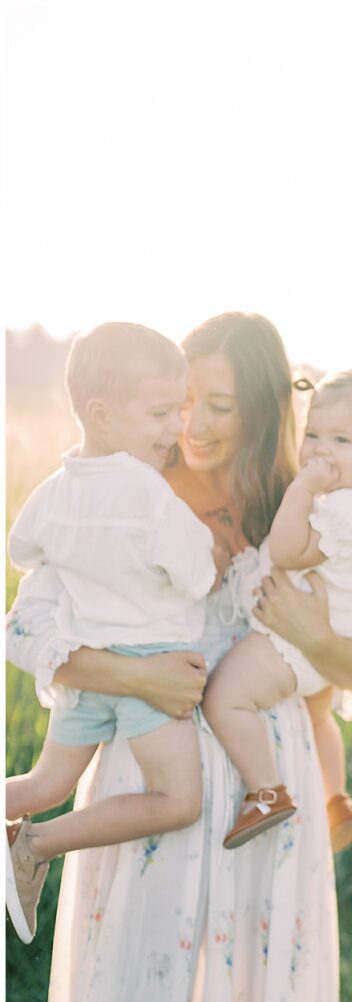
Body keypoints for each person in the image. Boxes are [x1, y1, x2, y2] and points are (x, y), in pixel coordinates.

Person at [5, 311, 352, 1002]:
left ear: (260, 411)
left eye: (217, 406)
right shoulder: (118, 495)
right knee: (141, 976)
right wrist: (137, 678)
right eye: (181, 401)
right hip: (147, 776)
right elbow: (31, 632)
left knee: (251, 985)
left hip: (267, 788)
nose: (191, 423)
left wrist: (311, 637)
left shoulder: (307, 509)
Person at [5, 323, 227, 945]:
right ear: (101, 415)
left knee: (44, 783)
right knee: (178, 799)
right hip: (148, 669)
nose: (173, 428)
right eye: (160, 413)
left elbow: (23, 551)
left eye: (177, 410)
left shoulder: (51, 493)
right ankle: (36, 843)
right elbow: (196, 575)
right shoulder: (147, 492)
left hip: (84, 663)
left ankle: (21, 822)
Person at [202, 368, 352, 852]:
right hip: (343, 630)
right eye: (313, 434)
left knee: (226, 698)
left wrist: (301, 488)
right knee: (320, 715)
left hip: (296, 635)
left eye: (341, 439)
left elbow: (286, 551)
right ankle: (334, 796)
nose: (320, 450)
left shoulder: (345, 507)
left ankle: (265, 791)